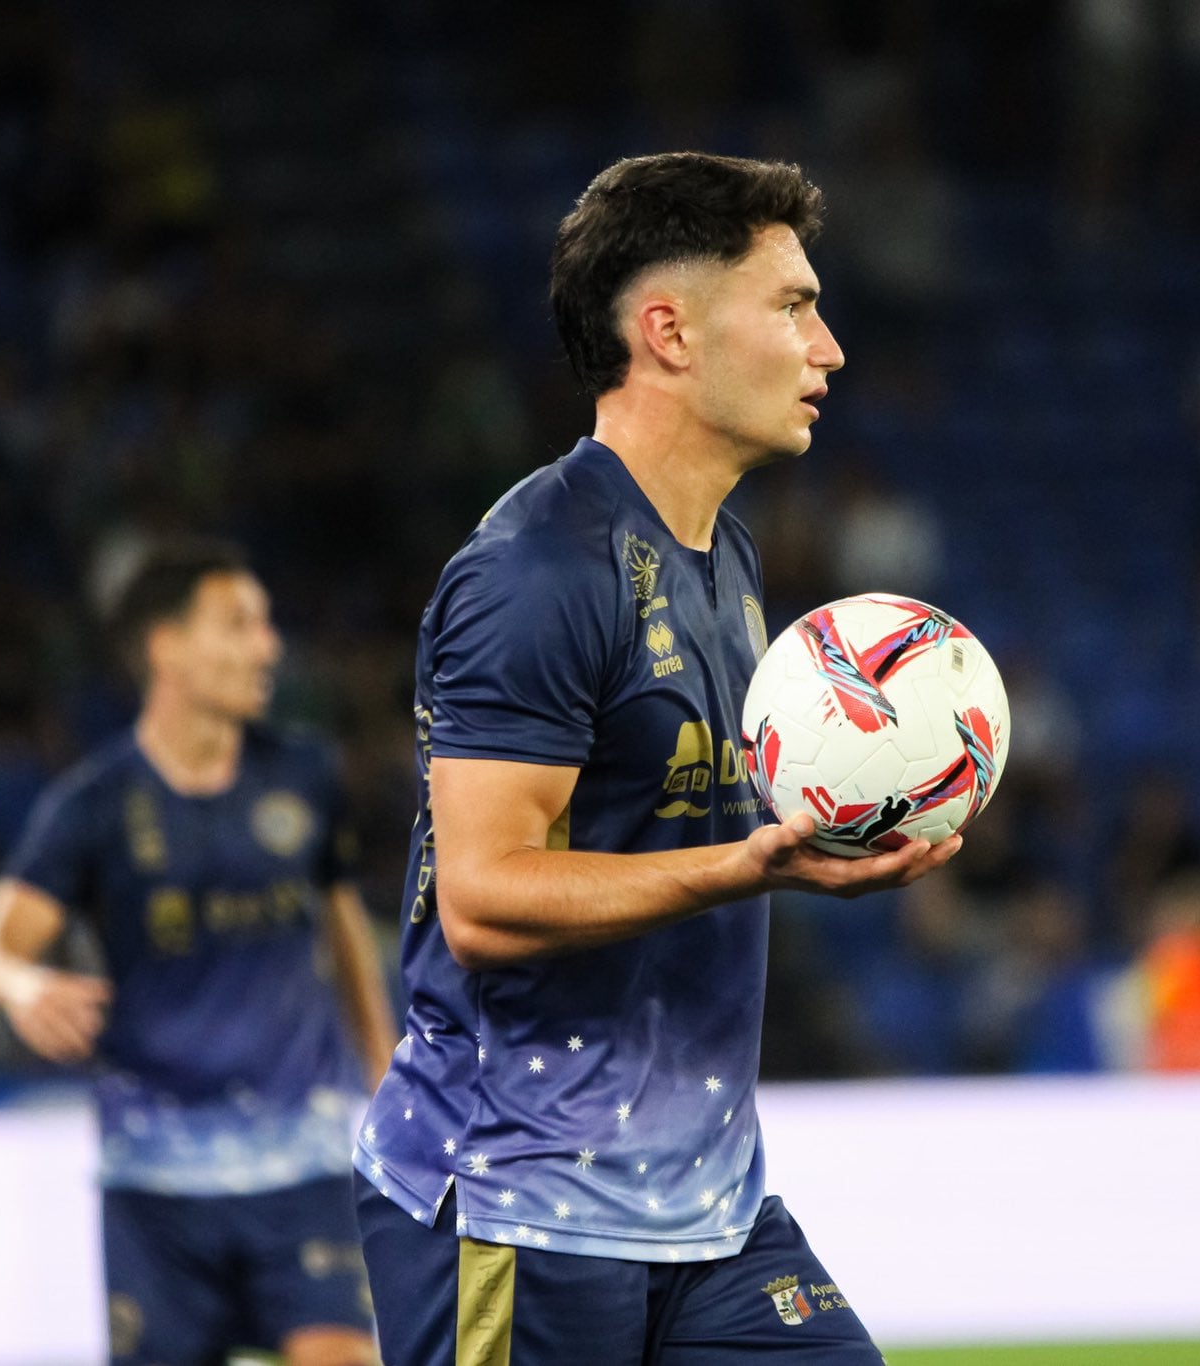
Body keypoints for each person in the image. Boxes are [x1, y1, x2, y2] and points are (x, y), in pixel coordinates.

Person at [353, 152, 964, 1364]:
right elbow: (480, 897)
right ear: (669, 331)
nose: (827, 346)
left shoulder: (723, 559)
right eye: (792, 305)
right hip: (516, 1204)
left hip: (710, 1207)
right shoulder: (534, 569)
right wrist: (750, 868)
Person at [0, 539, 398, 1366]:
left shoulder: (306, 775)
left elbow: (341, 924)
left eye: (266, 624)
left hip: (301, 1166)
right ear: (165, 647)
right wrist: (20, 987)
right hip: (155, 1184)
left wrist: (383, 1070)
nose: (268, 646)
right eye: (239, 624)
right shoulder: (93, 808)